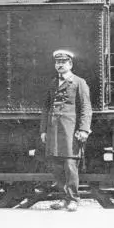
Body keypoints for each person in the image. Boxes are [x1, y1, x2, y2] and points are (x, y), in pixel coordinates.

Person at [40, 49, 92, 212]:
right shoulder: (52, 83)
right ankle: (64, 198)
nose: (60, 65)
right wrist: (43, 130)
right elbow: (46, 108)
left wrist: (84, 129)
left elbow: (85, 108)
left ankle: (73, 199)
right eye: (57, 62)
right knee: (55, 166)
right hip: (53, 129)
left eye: (63, 62)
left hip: (70, 129)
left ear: (70, 64)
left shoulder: (79, 82)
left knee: (70, 165)